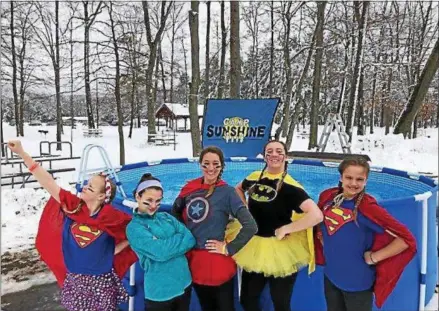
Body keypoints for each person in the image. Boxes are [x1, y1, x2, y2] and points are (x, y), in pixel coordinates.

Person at [7, 140, 137, 311]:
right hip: (75, 280)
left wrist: (111, 252)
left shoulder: (111, 217)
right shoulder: (74, 207)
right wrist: (23, 154)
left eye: (90, 188)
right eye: (87, 184)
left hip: (101, 282)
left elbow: (134, 233)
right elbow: (48, 183)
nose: (84, 187)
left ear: (100, 197)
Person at [314, 156, 417, 311]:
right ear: (340, 177)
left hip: (358, 283)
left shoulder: (368, 208)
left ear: (366, 181)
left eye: (359, 179)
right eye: (349, 177)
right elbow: (321, 223)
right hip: (331, 275)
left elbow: (406, 240)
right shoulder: (328, 197)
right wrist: (323, 239)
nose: (354, 183)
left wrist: (374, 257)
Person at [234, 139, 323, 311]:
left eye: (279, 151)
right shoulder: (253, 178)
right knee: (247, 299)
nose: (274, 154)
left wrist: (287, 229)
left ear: (285, 156)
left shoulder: (292, 187)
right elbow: (238, 189)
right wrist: (244, 209)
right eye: (270, 151)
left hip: (281, 249)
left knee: (281, 303)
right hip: (253, 246)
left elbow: (316, 215)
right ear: (265, 156)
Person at [172, 146, 258, 311]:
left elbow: (251, 226)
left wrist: (229, 248)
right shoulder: (189, 189)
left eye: (215, 164)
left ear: (221, 166)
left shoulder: (228, 193)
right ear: (200, 165)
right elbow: (175, 213)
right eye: (206, 164)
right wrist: (184, 238)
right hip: (194, 263)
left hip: (218, 265)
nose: (211, 168)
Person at [126, 173, 196, 311]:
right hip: (160, 293)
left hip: (184, 283)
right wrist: (178, 240)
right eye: (149, 200)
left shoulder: (166, 217)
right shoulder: (134, 227)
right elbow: (161, 252)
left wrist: (165, 244)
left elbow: (190, 239)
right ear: (137, 197)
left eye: (158, 201)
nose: (153, 206)